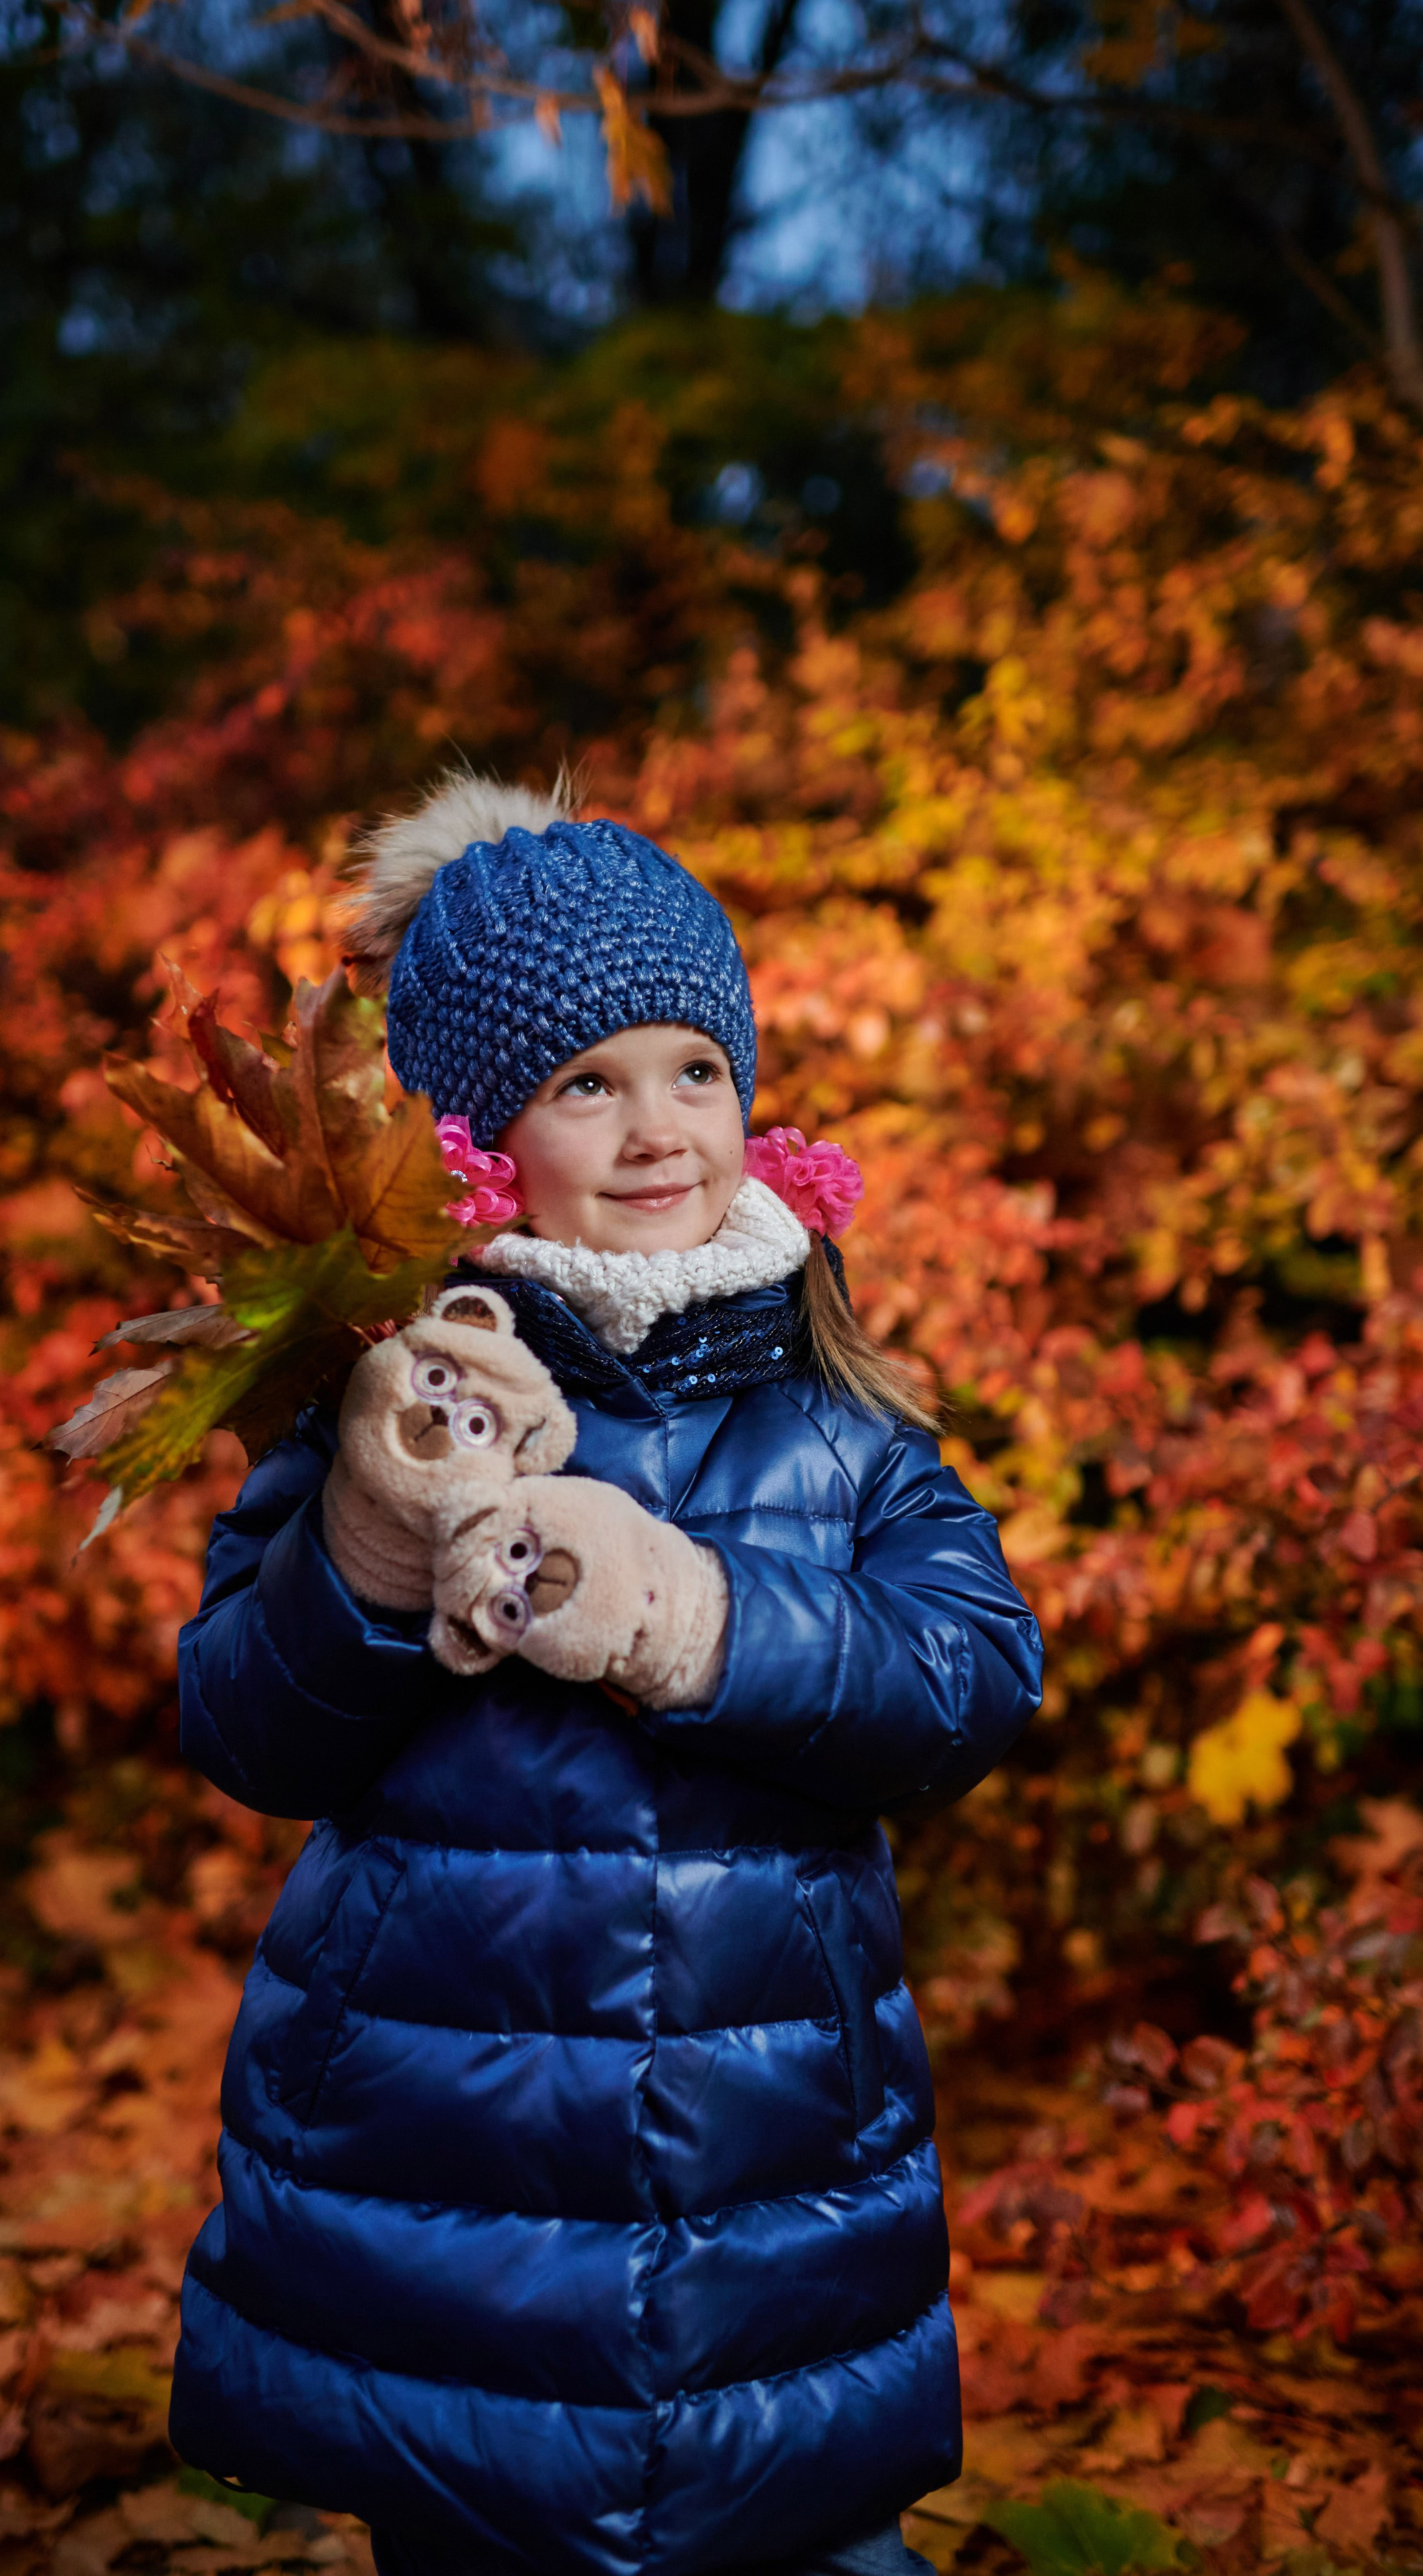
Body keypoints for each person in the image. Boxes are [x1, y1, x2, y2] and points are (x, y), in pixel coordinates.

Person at [167, 776, 1044, 2576]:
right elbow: (248, 1723)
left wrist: (692, 1619)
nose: (659, 1129)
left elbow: (971, 1678)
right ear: (481, 1132)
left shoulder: (839, 1423)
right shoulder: (396, 1384)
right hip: (449, 2170)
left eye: (695, 1070)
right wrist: (379, 1545)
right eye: (587, 1083)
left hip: (771, 2160)